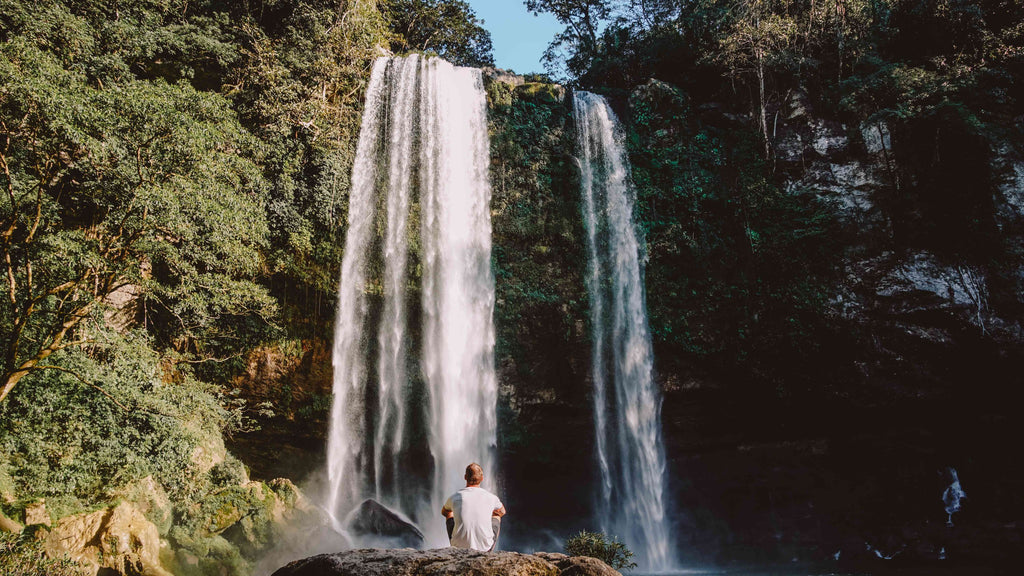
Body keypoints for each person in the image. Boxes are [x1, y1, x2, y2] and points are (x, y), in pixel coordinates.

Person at [441, 462, 506, 551]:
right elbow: (502, 512)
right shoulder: (492, 497)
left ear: (465, 477)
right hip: (485, 548)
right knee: (497, 515)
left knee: (449, 514)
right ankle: (488, 550)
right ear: (482, 478)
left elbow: (444, 512)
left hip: (458, 548)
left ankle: (458, 540)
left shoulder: (454, 497)